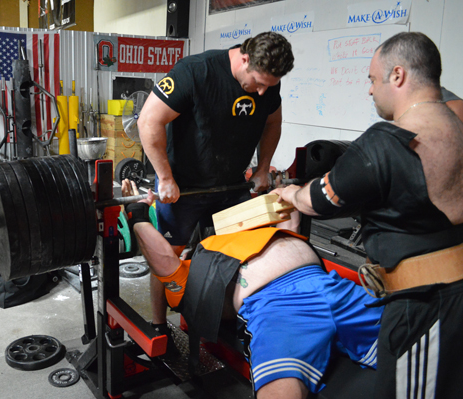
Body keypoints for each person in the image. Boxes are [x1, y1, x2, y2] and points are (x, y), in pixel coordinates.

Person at [273, 32, 463, 398]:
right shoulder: (456, 123)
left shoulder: (386, 141)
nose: (371, 91)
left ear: (398, 75)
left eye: (373, 80)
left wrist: (290, 193)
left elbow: (318, 201)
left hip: (423, 307)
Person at [121, 179, 382, 399]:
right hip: (278, 306)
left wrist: (283, 191)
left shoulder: (248, 232)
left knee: (415, 342)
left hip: (330, 285)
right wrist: (137, 211)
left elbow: (289, 221)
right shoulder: (187, 279)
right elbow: (162, 259)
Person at [137, 32, 295, 335]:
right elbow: (148, 121)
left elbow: (273, 122)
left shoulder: (267, 86)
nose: (262, 92)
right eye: (259, 83)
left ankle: (220, 317)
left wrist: (263, 168)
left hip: (231, 186)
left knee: (236, 251)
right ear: (244, 58)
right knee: (167, 254)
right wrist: (166, 178)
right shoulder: (195, 72)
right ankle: (158, 326)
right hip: (183, 187)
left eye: (269, 86)